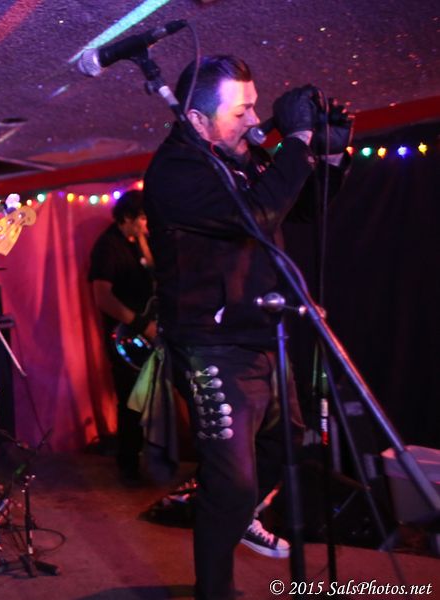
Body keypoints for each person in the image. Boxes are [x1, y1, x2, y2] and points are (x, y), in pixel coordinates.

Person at [143, 55, 351, 599]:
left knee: (292, 445)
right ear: (197, 119)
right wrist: (297, 141)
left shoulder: (243, 158)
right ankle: (216, 585)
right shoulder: (176, 171)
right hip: (211, 345)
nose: (256, 119)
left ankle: (238, 513)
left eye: (255, 106)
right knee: (230, 483)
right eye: (241, 112)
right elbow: (257, 215)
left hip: (263, 333)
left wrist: (330, 155)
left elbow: (297, 209)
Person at [88, 190, 157, 485]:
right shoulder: (107, 247)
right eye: (142, 218)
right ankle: (128, 465)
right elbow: (102, 297)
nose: (146, 224)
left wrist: (143, 243)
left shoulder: (137, 243)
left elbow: (154, 276)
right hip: (126, 338)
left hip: (145, 334)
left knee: (148, 398)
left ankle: (148, 458)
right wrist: (141, 325)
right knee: (130, 399)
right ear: (127, 217)